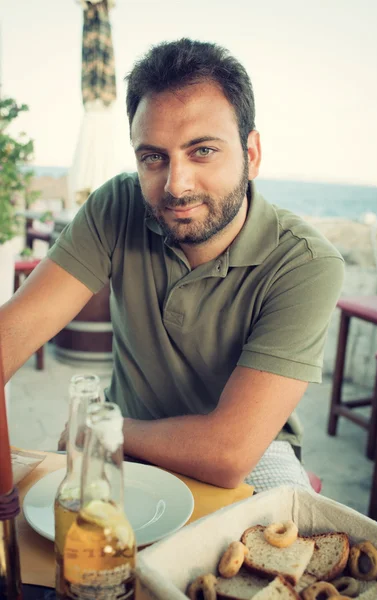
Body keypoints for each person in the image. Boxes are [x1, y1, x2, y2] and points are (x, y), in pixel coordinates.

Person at [0, 38, 344, 489]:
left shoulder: (304, 263)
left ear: (252, 154)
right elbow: (9, 337)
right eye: (153, 157)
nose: (176, 185)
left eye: (202, 151)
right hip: (126, 434)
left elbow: (230, 452)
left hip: (253, 450)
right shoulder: (119, 206)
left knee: (276, 546)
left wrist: (100, 428)